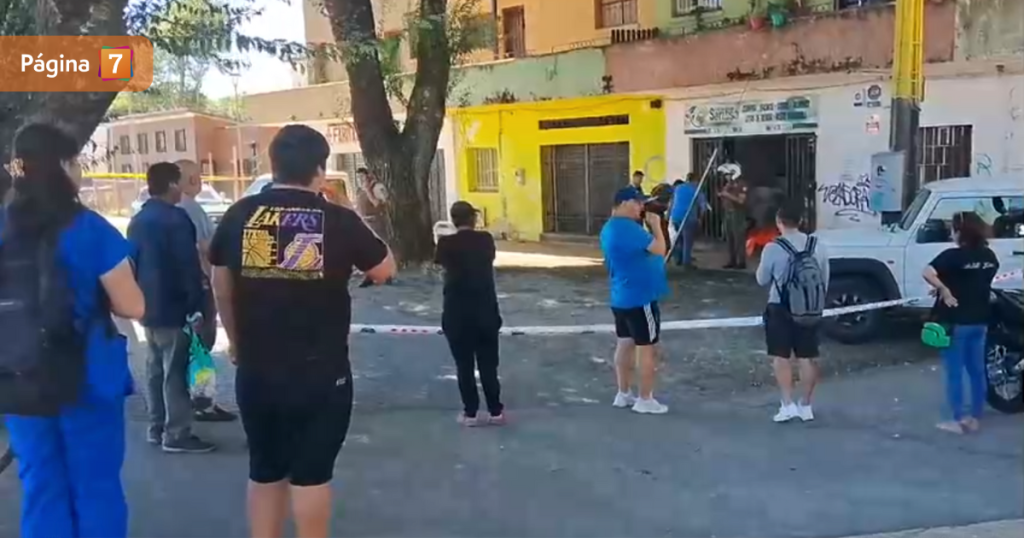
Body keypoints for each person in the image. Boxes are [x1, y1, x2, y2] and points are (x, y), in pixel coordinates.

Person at [209, 124, 396, 538]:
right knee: (312, 474)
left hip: (257, 367)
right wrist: (348, 210)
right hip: (321, 371)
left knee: (265, 469)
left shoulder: (239, 214)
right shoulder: (338, 218)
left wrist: (236, 342)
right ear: (320, 169)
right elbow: (384, 269)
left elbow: (221, 285)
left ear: (273, 164)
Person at [2, 123, 145, 538]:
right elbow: (133, 306)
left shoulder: (3, 227)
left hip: (19, 375)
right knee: (95, 485)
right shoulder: (89, 228)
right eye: (76, 162)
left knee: (41, 483)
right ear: (63, 166)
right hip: (87, 375)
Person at [128, 162, 214, 453]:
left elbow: (132, 264)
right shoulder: (176, 219)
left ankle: (156, 426)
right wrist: (196, 305)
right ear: (172, 184)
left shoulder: (138, 220)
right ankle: (176, 433)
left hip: (147, 306)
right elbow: (187, 265)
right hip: (174, 306)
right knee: (175, 371)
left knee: (155, 369)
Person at [923, 211, 999, 434]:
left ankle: (957, 419)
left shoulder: (952, 256)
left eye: (953, 228)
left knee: (955, 372)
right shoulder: (989, 256)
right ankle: (975, 417)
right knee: (977, 371)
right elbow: (977, 281)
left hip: (956, 321)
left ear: (960, 231)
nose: (951, 233)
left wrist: (943, 289)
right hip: (981, 320)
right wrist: (947, 284)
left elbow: (928, 272)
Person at [755, 200, 829, 423]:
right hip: (809, 308)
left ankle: (787, 404)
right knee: (807, 357)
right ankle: (806, 405)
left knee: (782, 357)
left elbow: (761, 279)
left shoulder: (773, 248)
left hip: (780, 307)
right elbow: (824, 278)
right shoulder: (817, 245)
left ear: (779, 222)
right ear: (801, 221)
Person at [175, 159, 237, 423]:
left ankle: (190, 401)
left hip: (179, 288)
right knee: (200, 348)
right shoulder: (190, 207)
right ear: (192, 179)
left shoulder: (171, 208)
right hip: (200, 285)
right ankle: (203, 402)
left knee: (187, 349)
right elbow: (206, 247)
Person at [434, 201, 505, 427]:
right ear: (473, 219)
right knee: (488, 365)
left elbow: (439, 264)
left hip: (457, 313)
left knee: (464, 366)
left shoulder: (445, 243)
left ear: (453, 220)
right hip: (485, 311)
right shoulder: (486, 240)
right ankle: (496, 411)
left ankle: (470, 413)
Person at [600, 187, 670, 414]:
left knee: (625, 343)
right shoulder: (629, 228)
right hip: (640, 297)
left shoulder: (609, 227)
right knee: (646, 348)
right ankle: (645, 399)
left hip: (621, 296)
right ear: (623, 203)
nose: (641, 207)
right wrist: (657, 226)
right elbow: (659, 249)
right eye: (638, 202)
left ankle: (623, 393)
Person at [669, 172, 708, 267]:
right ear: (695, 180)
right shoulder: (696, 189)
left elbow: (672, 202)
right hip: (688, 218)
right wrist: (700, 219)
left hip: (676, 217)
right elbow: (703, 206)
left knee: (679, 240)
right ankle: (686, 262)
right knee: (687, 242)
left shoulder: (678, 188)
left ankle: (678, 260)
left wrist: (669, 215)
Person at [717, 164, 748, 269]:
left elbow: (741, 200)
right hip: (728, 213)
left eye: (728, 174)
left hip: (737, 213)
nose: (726, 177)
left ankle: (741, 261)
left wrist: (727, 195)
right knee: (729, 238)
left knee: (738, 237)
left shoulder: (741, 184)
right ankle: (732, 260)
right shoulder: (729, 184)